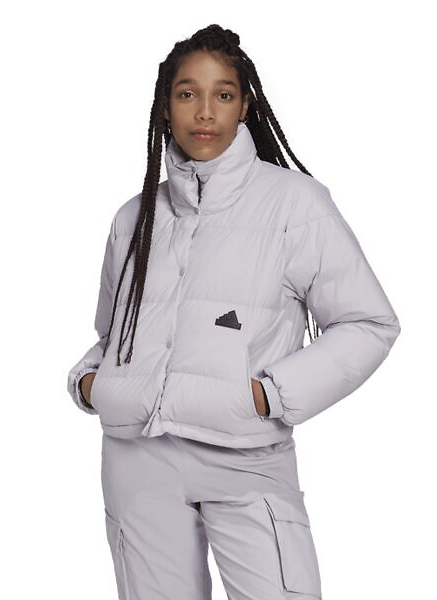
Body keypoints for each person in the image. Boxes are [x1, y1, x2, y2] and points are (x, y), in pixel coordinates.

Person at [66, 24, 401, 600]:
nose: (204, 112)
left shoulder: (296, 204)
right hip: (136, 460)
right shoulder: (134, 217)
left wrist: (267, 395)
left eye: (222, 94)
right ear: (165, 105)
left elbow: (369, 323)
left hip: (245, 458)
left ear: (244, 105)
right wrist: (92, 382)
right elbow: (112, 334)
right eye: (187, 93)